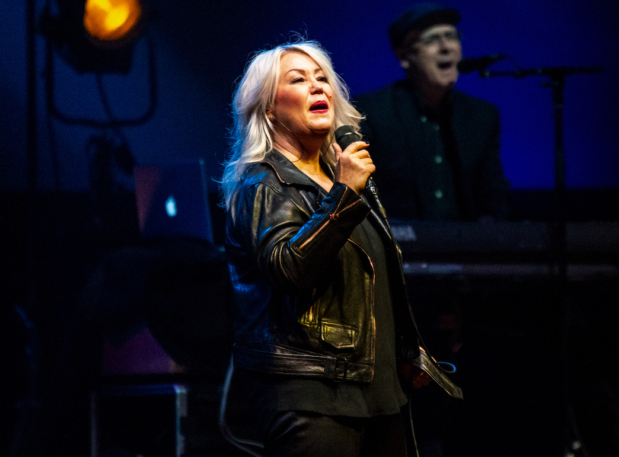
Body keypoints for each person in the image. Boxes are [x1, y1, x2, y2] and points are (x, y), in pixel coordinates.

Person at [218, 39, 460, 457]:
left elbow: (367, 284)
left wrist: (398, 349)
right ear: (269, 108)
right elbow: (289, 269)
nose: (318, 87)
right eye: (298, 80)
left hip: (375, 391)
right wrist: (345, 194)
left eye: (322, 78)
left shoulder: (342, 180)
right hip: (311, 396)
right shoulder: (264, 184)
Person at [354, 3, 510, 222]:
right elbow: (358, 195)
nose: (446, 47)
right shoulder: (372, 112)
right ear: (404, 56)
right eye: (432, 39)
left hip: (465, 243)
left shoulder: (482, 116)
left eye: (451, 36)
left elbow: (493, 200)